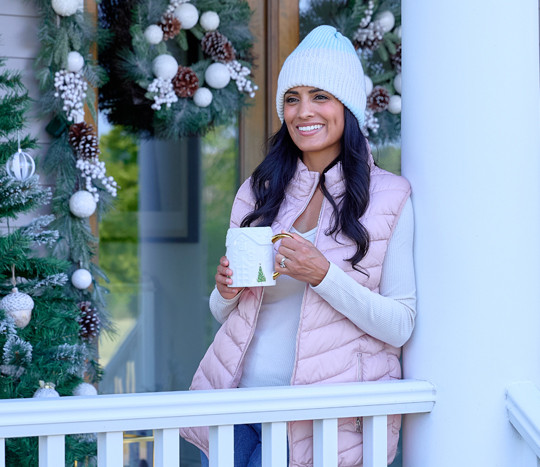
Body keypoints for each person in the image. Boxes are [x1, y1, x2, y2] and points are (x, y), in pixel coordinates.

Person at [180, 25, 416, 466]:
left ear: (347, 106)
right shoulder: (259, 189)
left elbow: (400, 324)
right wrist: (226, 290)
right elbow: (223, 311)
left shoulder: (390, 197)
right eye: (292, 98)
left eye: (320, 96)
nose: (303, 111)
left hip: (316, 419)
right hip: (239, 403)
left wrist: (323, 275)